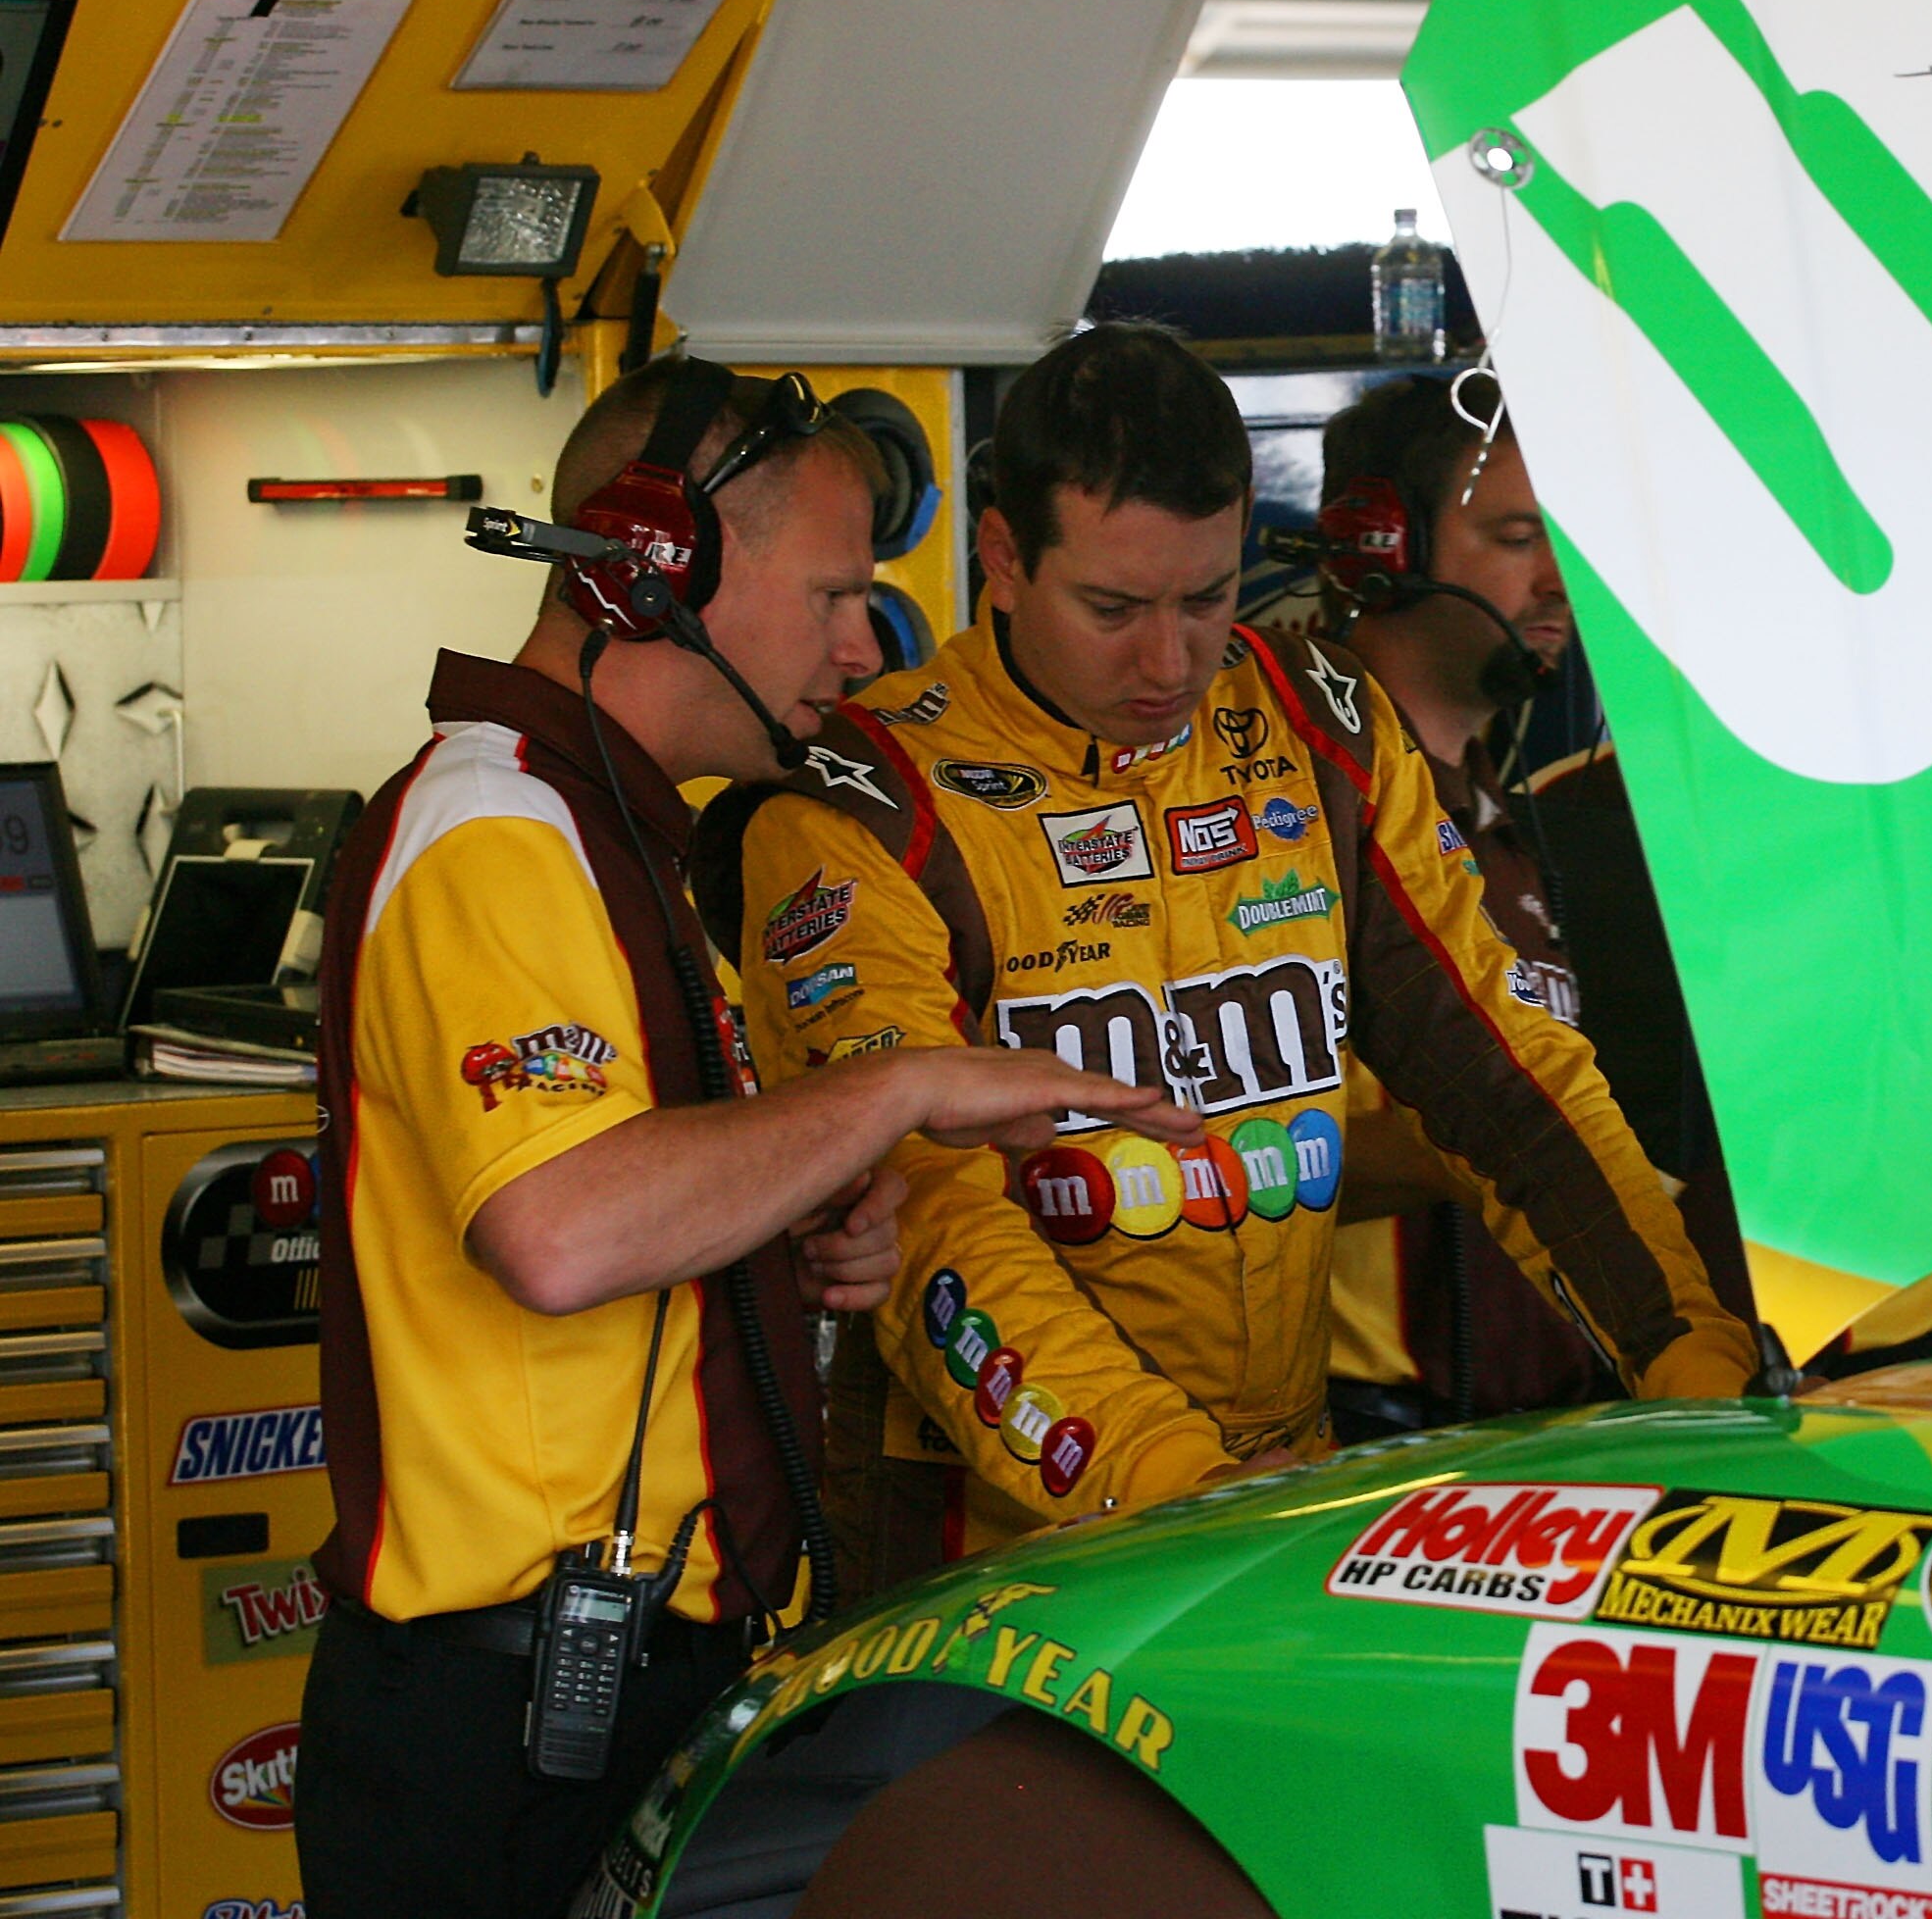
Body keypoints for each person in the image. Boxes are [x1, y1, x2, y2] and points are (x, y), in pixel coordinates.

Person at [296, 358, 1172, 1919]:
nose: (864, 642)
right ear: (654, 572)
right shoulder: (497, 835)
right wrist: (891, 1090)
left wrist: (790, 1210)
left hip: (615, 1691)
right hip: (508, 1727)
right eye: (836, 593)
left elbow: (633, 1192)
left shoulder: (614, 834)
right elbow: (561, 1231)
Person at [697, 324, 1754, 1587]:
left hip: (1275, 1512)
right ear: (1000, 559)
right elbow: (930, 1215)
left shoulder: (1316, 720)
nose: (1170, 659)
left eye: (1206, 597)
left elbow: (1511, 1072)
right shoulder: (864, 799)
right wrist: (1180, 1487)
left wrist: (1696, 1359)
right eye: (1114, 607)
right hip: (987, 1550)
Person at [1307, 373, 1758, 1426]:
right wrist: (1513, 1141)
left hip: (1538, 1418)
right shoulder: (1297, 805)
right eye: (1517, 537)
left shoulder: (1509, 822)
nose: (1561, 580)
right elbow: (1212, 1135)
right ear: (1384, 546)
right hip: (1364, 1422)